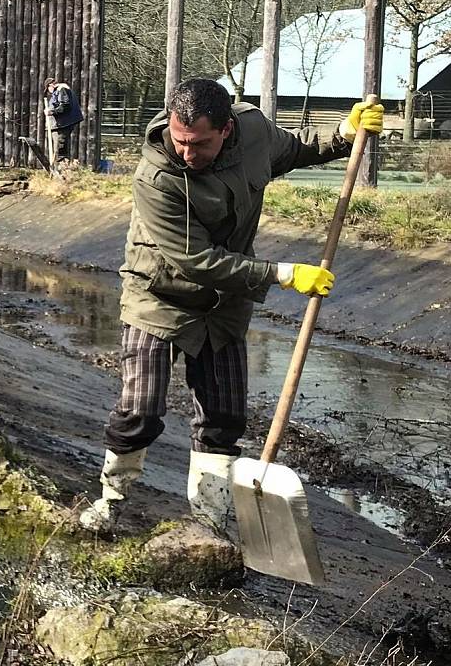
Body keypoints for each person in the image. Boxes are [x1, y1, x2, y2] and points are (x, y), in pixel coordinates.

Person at [78, 77, 384, 535]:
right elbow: (196, 261)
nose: (186, 152)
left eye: (198, 143)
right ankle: (110, 502)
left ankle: (208, 523)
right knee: (141, 409)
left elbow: (295, 151)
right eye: (180, 141)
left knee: (223, 417)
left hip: (223, 306)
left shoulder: (253, 131)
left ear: (225, 131)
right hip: (157, 297)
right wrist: (284, 274)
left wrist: (343, 131)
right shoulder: (157, 175)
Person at [44, 78, 84, 161]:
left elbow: (65, 106)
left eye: (48, 89)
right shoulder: (60, 90)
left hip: (62, 125)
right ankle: (58, 168)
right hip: (60, 125)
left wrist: (52, 112)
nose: (49, 92)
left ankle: (61, 170)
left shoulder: (61, 89)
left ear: (50, 85)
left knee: (60, 150)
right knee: (58, 150)